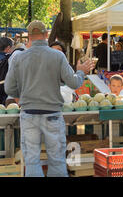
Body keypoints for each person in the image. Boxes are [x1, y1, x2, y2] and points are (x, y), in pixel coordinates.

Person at [4, 20, 94, 177]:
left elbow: (9, 88)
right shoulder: (57, 56)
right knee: (57, 160)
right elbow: (73, 82)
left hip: (29, 113)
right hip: (52, 113)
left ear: (29, 37)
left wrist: (23, 93)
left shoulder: (19, 58)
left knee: (32, 160)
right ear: (46, 35)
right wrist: (80, 72)